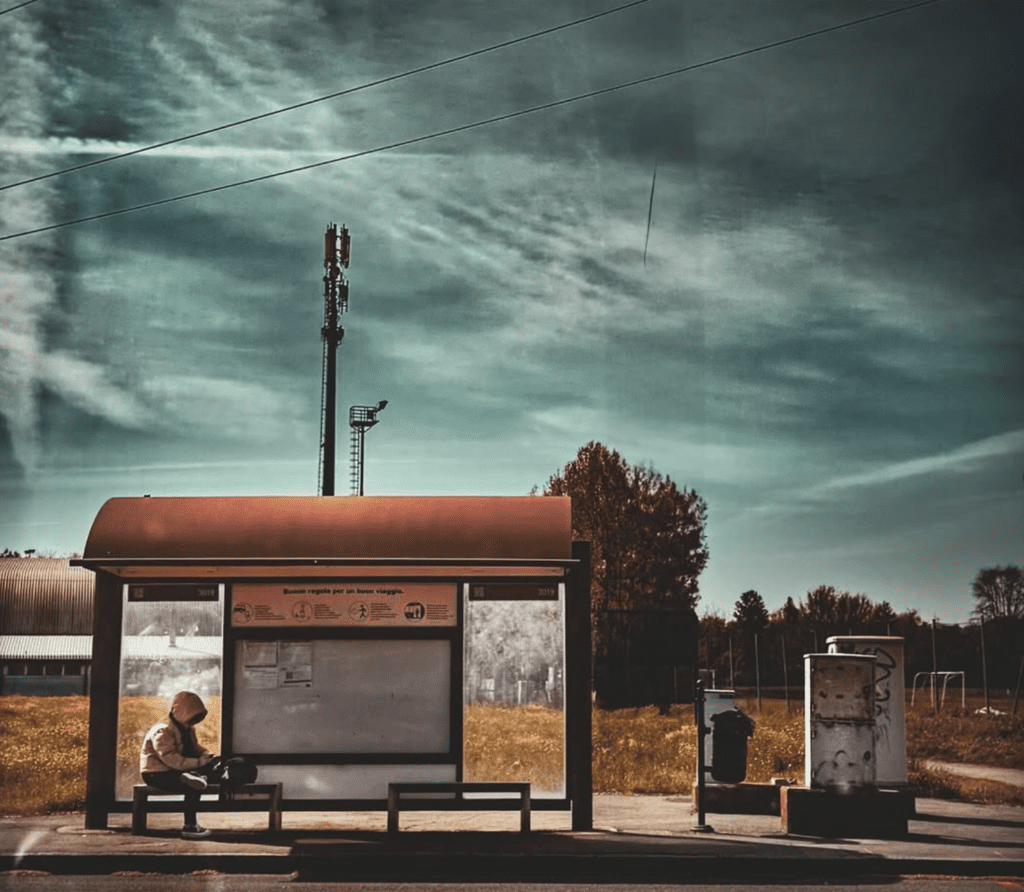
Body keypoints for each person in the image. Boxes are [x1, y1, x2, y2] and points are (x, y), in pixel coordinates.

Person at [140, 690, 218, 839]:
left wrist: (207, 755)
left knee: (194, 780)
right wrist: (199, 762)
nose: (195, 721)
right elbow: (170, 758)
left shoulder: (187, 728)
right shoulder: (162, 730)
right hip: (155, 773)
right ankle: (190, 826)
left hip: (174, 771)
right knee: (193, 784)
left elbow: (195, 748)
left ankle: (191, 825)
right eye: (193, 716)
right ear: (183, 712)